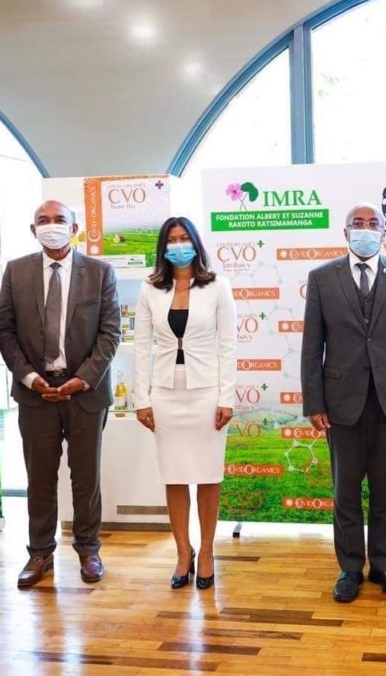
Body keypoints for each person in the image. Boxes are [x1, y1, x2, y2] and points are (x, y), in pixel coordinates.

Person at [301, 202, 386, 603]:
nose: (365, 229)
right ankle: (349, 568)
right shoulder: (322, 278)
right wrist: (314, 403)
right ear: (345, 233)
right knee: (344, 493)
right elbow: (312, 346)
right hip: (341, 403)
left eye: (373, 223)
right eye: (357, 223)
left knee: (384, 492)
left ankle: (383, 566)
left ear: (384, 232)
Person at [0, 200, 120, 587]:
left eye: (60, 220)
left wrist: (82, 379)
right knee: (39, 478)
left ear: (74, 228)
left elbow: (110, 333)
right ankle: (39, 553)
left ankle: (88, 549)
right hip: (36, 394)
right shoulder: (16, 271)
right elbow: (5, 331)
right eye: (43, 221)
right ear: (33, 230)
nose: (52, 226)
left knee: (86, 477)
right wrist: (31, 378)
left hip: (85, 393)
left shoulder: (100, 272)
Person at [133, 217, 236, 590]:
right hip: (165, 393)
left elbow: (228, 345)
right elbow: (141, 346)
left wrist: (226, 397)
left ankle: (206, 552)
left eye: (184, 238)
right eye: (172, 240)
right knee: (174, 476)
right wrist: (141, 399)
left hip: (207, 393)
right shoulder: (149, 288)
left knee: (209, 476)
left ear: (196, 243)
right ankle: (182, 552)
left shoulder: (218, 286)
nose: (179, 245)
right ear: (163, 247)